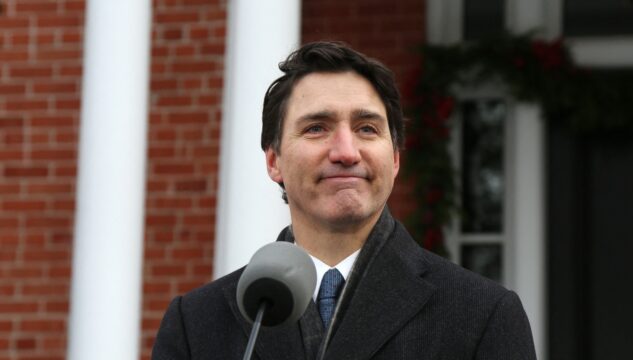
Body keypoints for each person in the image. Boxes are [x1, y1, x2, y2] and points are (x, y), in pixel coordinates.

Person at [152, 41, 536, 360]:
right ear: (274, 161)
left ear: (396, 158)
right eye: (317, 128)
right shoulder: (197, 324)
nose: (346, 151)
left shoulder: (482, 315)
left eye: (367, 128)